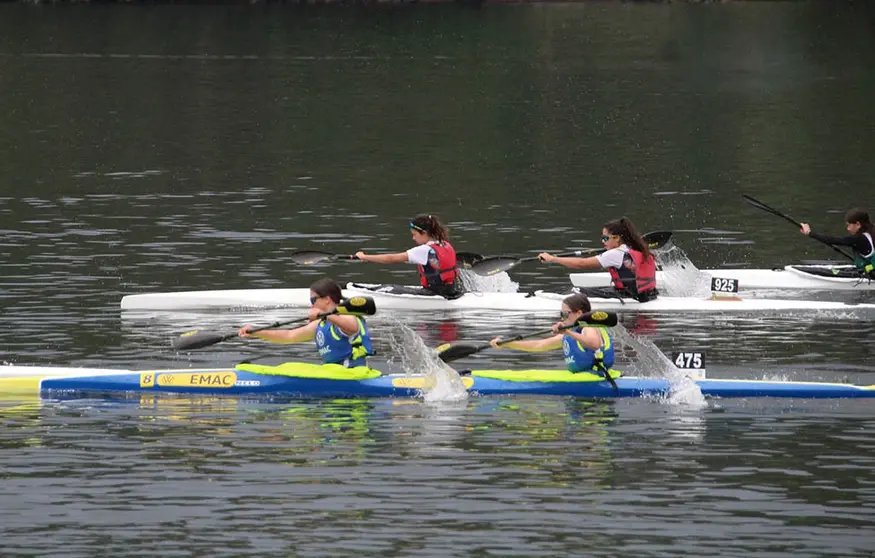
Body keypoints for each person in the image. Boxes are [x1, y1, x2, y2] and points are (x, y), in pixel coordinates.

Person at [237, 278, 373, 368]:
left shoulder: (347, 316)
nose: (311, 304)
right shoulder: (321, 324)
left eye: (314, 300)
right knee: (290, 366)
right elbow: (290, 336)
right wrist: (257, 332)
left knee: (292, 368)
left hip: (354, 374)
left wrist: (324, 315)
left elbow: (352, 328)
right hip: (335, 374)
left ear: (327, 299)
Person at [538, 217, 658, 302]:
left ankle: (539, 296)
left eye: (606, 238)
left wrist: (553, 258)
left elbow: (582, 264)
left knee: (574, 290)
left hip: (630, 297)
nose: (602, 241)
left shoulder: (615, 254)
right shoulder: (636, 248)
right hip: (648, 294)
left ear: (617, 238)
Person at [488, 293, 614, 374]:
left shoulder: (589, 327)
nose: (562, 318)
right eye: (561, 314)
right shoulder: (573, 333)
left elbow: (595, 344)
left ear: (579, 313)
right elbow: (539, 345)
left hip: (596, 378)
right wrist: (507, 344)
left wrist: (568, 332)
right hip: (585, 379)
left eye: (565, 314)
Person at [354, 214, 463, 299]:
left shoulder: (424, 250)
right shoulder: (445, 244)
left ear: (424, 233)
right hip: (450, 291)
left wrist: (364, 257)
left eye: (414, 234)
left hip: (434, 294)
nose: (413, 238)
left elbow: (390, 259)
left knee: (387, 288)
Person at [801, 208, 875, 278]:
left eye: (849, 225)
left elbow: (834, 240)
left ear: (858, 224)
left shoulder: (859, 238)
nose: (848, 229)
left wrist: (810, 233)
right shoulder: (871, 232)